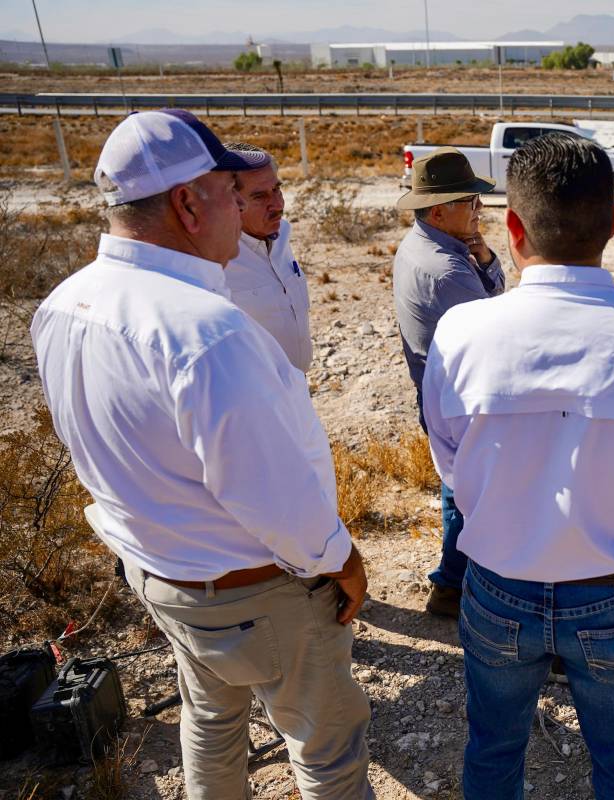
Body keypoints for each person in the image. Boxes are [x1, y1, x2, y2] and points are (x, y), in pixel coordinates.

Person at [30, 110, 373, 800]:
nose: (242, 208)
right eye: (228, 190)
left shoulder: (64, 304)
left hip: (164, 577)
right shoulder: (207, 333)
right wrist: (342, 560)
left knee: (212, 720)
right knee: (327, 753)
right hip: (260, 589)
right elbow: (271, 498)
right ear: (188, 203)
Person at [422, 133, 614, 800]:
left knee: (493, 754)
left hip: (497, 589)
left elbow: (451, 463)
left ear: (514, 228)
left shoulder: (463, 332)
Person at [392, 146, 503, 619]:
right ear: (439, 211)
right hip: (460, 399)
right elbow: (496, 320)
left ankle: (452, 582)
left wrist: (485, 254)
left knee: (459, 488)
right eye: (470, 201)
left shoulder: (426, 245)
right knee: (467, 493)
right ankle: (453, 586)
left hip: (441, 392)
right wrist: (487, 264)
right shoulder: (448, 270)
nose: (480, 208)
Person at [223, 141, 313, 372]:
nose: (278, 204)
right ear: (229, 201)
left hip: (296, 387)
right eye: (260, 196)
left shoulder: (281, 235)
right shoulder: (217, 259)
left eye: (277, 190)